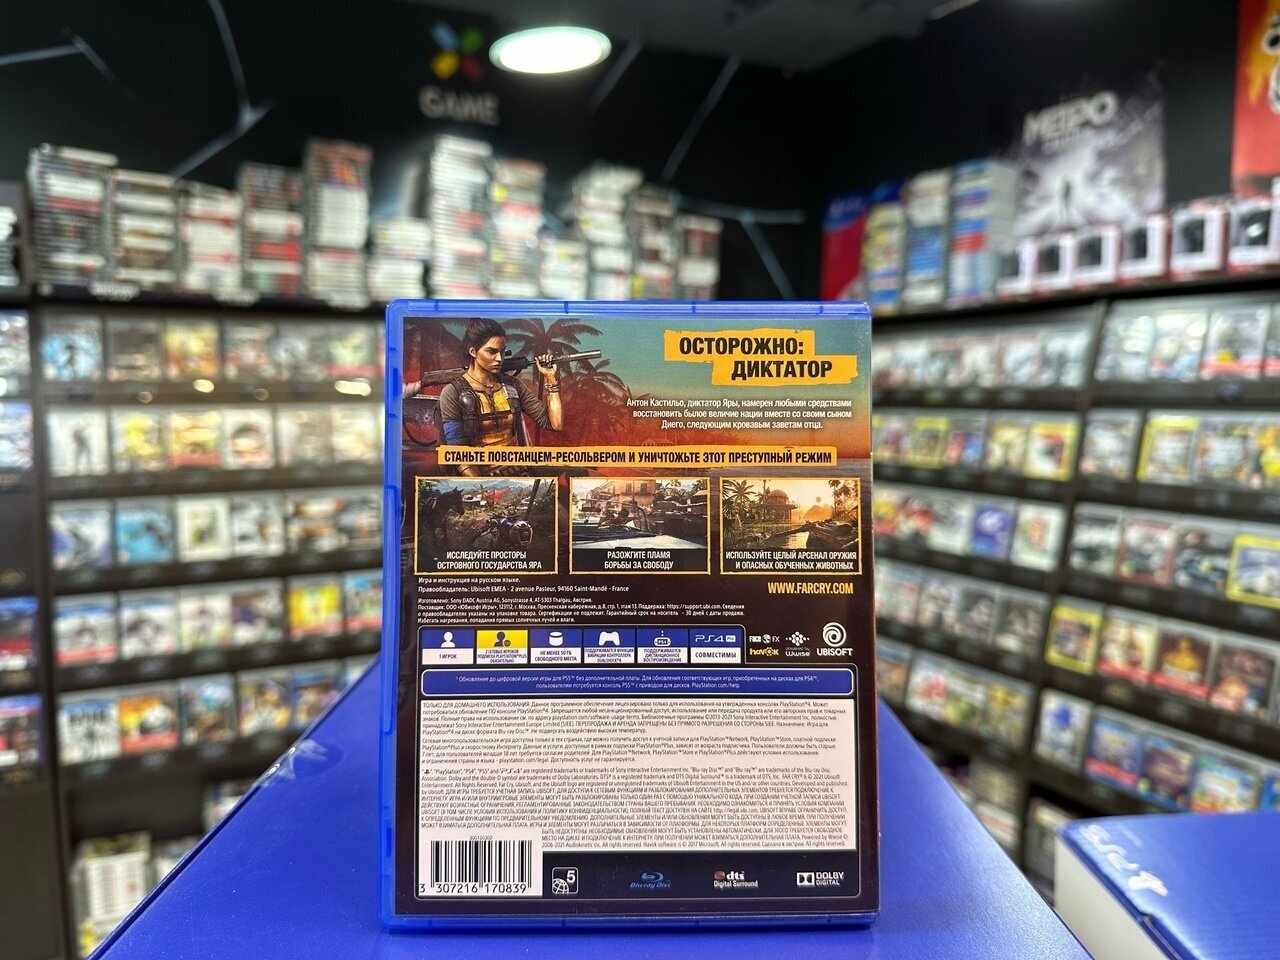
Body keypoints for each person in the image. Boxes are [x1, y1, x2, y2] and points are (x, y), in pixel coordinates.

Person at [435, 318, 563, 476]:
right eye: (492, 351)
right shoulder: (453, 392)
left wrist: (550, 378)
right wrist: (483, 485)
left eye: (502, 352)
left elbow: (555, 424)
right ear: (473, 351)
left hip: (520, 472)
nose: (500, 359)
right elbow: (459, 457)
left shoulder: (512, 386)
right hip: (481, 479)